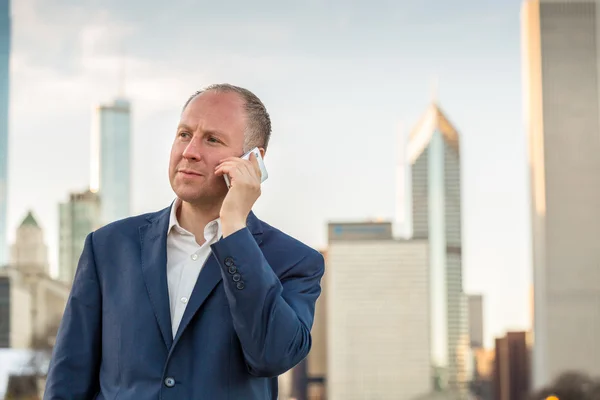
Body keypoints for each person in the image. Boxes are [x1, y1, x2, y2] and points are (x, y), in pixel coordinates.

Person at [43, 84, 325, 400]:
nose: (190, 151)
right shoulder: (108, 247)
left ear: (253, 160)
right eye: (184, 134)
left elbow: (273, 355)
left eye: (212, 139)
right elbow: (67, 380)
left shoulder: (295, 261)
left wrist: (233, 229)